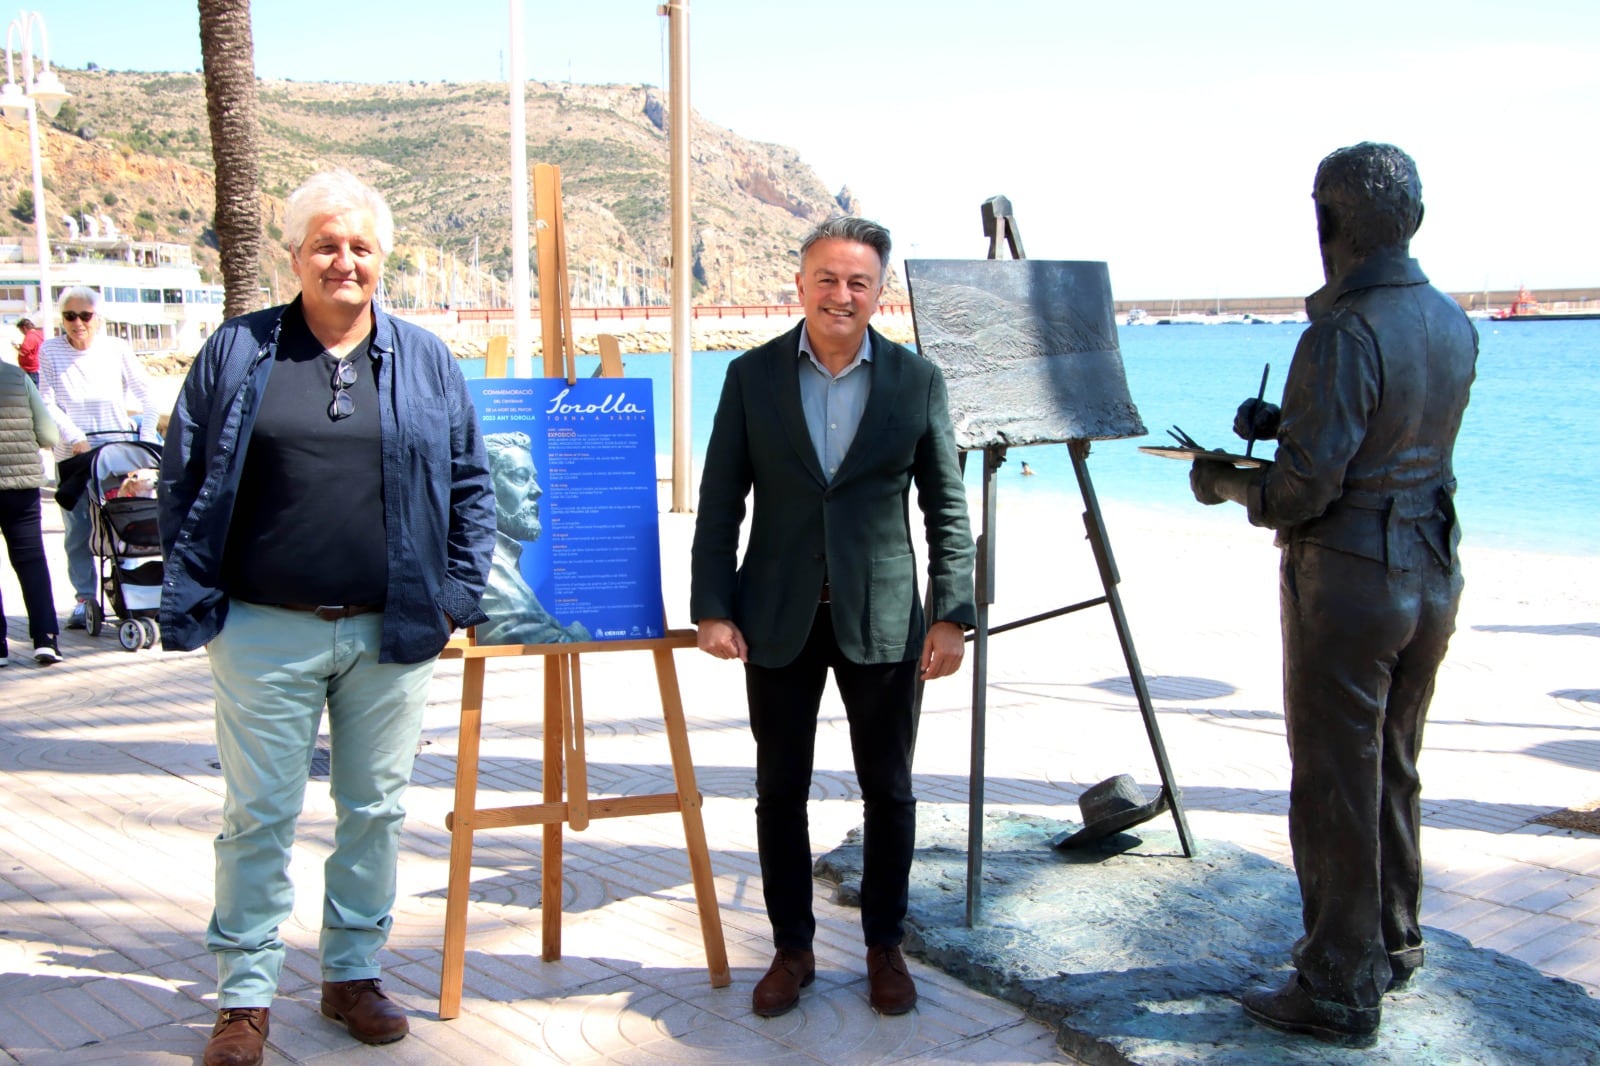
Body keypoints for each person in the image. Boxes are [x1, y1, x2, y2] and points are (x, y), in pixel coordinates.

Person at [157, 170, 496, 1066]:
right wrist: (206, 598)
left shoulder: (424, 356)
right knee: (258, 814)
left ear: (382, 259)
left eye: (360, 247)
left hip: (393, 632)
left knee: (375, 810)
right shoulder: (239, 350)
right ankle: (245, 998)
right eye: (325, 245)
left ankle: (351, 975)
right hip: (265, 626)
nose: (344, 261)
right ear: (295, 256)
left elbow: (470, 484)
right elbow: (183, 472)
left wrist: (458, 594)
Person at [1189, 142, 1477, 1043]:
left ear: (1326, 223)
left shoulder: (1343, 332)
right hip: (1430, 570)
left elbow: (1301, 495)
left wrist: (1224, 478)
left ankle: (1338, 984)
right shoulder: (1451, 320)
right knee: (1392, 760)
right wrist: (1289, 422)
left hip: (1351, 583)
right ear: (1414, 221)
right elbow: (1394, 431)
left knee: (1331, 782)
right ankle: (1392, 937)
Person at [691, 216, 976, 1018]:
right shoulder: (751, 378)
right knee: (778, 790)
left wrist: (952, 615)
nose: (841, 294)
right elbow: (720, 504)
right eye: (827, 278)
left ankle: (885, 947)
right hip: (774, 616)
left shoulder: (917, 382)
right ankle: (792, 949)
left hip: (884, 618)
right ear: (801, 285)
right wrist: (712, 608)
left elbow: (946, 510)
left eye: (858, 282)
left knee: (889, 789)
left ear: (878, 293)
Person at [37, 287, 160, 629]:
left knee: (125, 524)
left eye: (85, 316)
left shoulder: (116, 349)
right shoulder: (51, 351)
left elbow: (147, 395)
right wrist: (74, 437)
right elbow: (48, 401)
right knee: (78, 529)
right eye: (70, 316)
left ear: (98, 319)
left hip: (117, 453)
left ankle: (135, 592)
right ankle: (83, 598)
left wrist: (147, 435)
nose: (78, 323)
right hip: (75, 454)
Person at [478, 430, 590, 644]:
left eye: (534, 478)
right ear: (483, 486)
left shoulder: (502, 562)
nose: (537, 490)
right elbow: (543, 639)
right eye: (521, 477)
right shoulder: (486, 568)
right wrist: (576, 636)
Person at [0, 355, 62, 665]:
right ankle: (45, 639)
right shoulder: (16, 376)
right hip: (21, 486)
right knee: (32, 560)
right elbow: (49, 436)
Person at [13, 317, 43, 385]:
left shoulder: (30, 336)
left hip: (30, 369)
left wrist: (16, 347)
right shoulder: (38, 334)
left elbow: (23, 352)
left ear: (24, 328)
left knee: (32, 389)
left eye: (20, 330)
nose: (21, 332)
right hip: (36, 366)